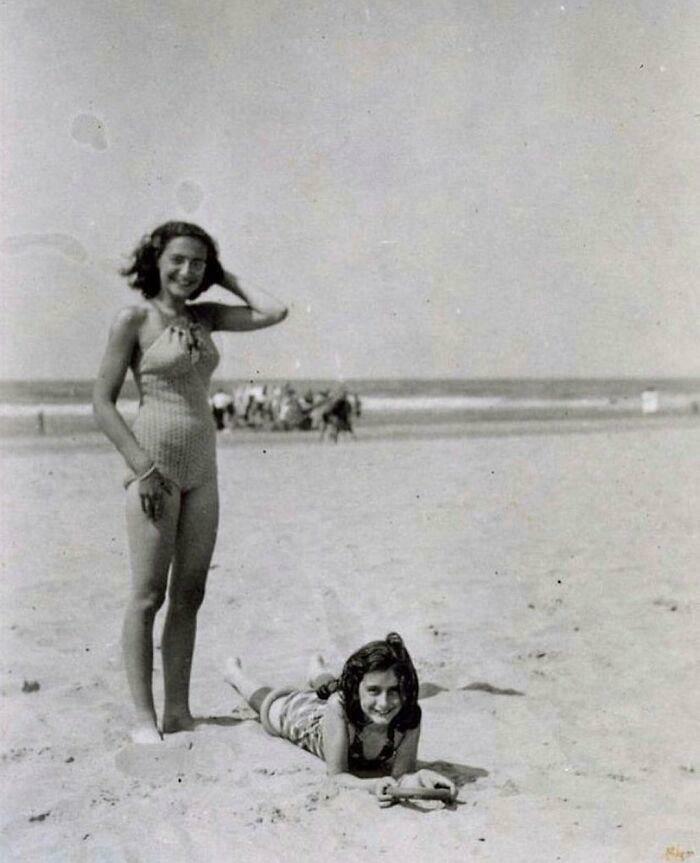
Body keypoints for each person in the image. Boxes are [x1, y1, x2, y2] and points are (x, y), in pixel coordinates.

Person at [93, 221, 288, 744]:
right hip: (153, 465)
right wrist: (143, 467)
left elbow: (274, 311)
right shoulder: (134, 318)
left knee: (191, 593)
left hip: (204, 467)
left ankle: (178, 712)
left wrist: (225, 276)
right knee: (147, 595)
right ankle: (143, 718)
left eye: (199, 263)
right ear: (155, 260)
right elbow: (101, 403)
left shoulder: (205, 317)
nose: (187, 271)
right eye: (178, 259)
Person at [224, 632, 457, 806]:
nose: (385, 703)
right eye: (374, 690)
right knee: (274, 705)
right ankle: (236, 675)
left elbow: (401, 776)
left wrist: (421, 778)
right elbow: (337, 776)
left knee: (332, 687)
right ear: (357, 689)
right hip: (313, 722)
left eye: (394, 690)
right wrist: (372, 785)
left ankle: (317, 671)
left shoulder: (409, 716)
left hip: (349, 700)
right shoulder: (341, 705)